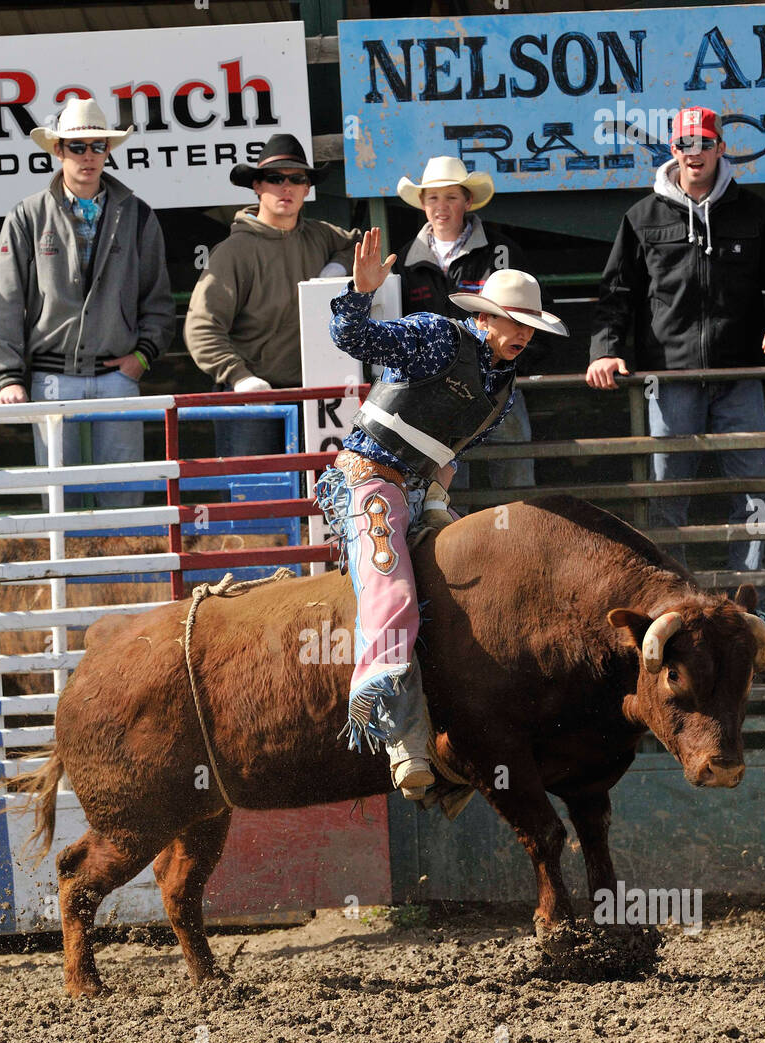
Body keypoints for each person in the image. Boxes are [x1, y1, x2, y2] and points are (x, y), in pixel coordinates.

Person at [317, 230, 567, 798]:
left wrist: (435, 505)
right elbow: (351, 336)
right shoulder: (436, 336)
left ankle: (465, 743)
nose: (523, 334)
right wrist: (359, 294)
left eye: (531, 326)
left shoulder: (500, 391)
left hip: (422, 490)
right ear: (487, 318)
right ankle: (402, 740)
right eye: (515, 322)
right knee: (392, 591)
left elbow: (446, 456)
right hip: (367, 481)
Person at [587, 106, 765, 605]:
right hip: (668, 381)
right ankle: (671, 608)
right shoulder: (641, 217)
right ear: (672, 151)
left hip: (741, 377)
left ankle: (749, 608)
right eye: (684, 144)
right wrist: (605, 351)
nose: (693, 153)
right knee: (667, 499)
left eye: (703, 143)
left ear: (721, 147)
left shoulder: (756, 212)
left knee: (755, 497)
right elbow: (617, 294)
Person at [0, 98, 175, 508]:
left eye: (98, 146)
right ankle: (66, 575)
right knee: (59, 501)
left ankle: (125, 575)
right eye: (77, 146)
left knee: (124, 497)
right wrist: (10, 377)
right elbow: (5, 302)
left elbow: (157, 299)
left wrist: (140, 358)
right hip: (51, 379)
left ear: (108, 151)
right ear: (58, 151)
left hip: (117, 376)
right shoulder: (27, 216)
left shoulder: (139, 215)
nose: (88, 156)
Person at [184, 133, 362, 458]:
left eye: (297, 178)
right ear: (257, 186)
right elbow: (201, 328)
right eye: (275, 178)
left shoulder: (322, 236)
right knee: (256, 501)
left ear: (308, 188)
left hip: (315, 397)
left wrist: (338, 267)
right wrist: (240, 377)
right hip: (252, 400)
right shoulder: (233, 252)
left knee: (319, 500)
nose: (286, 186)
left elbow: (360, 246)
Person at [394, 155, 552, 494]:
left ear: (467, 200)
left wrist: (504, 366)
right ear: (422, 203)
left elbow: (536, 318)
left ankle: (516, 547)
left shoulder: (504, 252)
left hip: (498, 387)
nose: (442, 206)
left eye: (451, 196)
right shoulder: (403, 261)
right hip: (434, 392)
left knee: (514, 477)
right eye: (433, 197)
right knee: (445, 489)